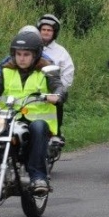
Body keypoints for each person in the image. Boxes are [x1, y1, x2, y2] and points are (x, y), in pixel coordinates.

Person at [0, 31, 63, 194]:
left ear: (36, 55)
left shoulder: (47, 71)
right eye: (18, 54)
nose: (21, 58)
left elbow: (59, 87)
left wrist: (56, 95)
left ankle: (38, 177)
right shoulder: (6, 71)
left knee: (38, 127)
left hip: (37, 120)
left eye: (26, 54)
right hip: (9, 117)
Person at [37, 14, 75, 147]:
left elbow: (68, 72)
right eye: (44, 30)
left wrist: (59, 89)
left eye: (49, 30)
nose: (46, 33)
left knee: (58, 102)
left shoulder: (61, 52)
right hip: (33, 90)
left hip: (51, 91)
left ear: (54, 33)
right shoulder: (32, 48)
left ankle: (56, 134)